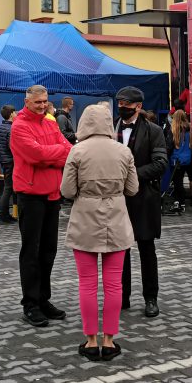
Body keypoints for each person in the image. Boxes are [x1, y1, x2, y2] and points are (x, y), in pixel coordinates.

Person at [61, 104, 139, 362]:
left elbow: (67, 191)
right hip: (116, 219)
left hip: (85, 219)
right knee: (114, 283)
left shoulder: (77, 151)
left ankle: (91, 340)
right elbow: (133, 189)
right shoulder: (123, 151)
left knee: (87, 284)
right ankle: (110, 339)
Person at [10, 84, 72, 327]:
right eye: (38, 102)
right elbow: (35, 155)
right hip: (31, 195)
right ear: (27, 102)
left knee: (49, 251)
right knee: (31, 252)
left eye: (45, 101)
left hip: (52, 195)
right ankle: (30, 303)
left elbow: (67, 151)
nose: (43, 105)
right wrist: (52, 156)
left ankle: (43, 298)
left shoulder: (50, 122)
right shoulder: (19, 126)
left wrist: (50, 156)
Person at [115, 86, 167, 318]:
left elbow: (160, 163)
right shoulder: (111, 128)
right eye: (119, 104)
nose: (121, 108)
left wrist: (131, 174)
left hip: (144, 198)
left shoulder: (154, 130)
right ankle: (122, 297)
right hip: (117, 200)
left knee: (146, 250)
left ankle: (150, 298)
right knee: (119, 251)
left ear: (138, 106)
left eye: (126, 104)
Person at [166, 110, 192, 214]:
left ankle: (179, 202)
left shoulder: (173, 129)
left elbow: (169, 146)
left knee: (177, 182)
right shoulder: (190, 128)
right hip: (187, 158)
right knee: (181, 182)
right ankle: (181, 203)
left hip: (176, 159)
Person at [0, 105, 16, 223]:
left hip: (4, 161)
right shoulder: (10, 129)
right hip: (10, 161)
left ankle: (5, 214)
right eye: (15, 113)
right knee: (8, 188)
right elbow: (12, 147)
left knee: (8, 187)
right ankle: (3, 215)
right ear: (11, 114)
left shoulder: (1, 127)